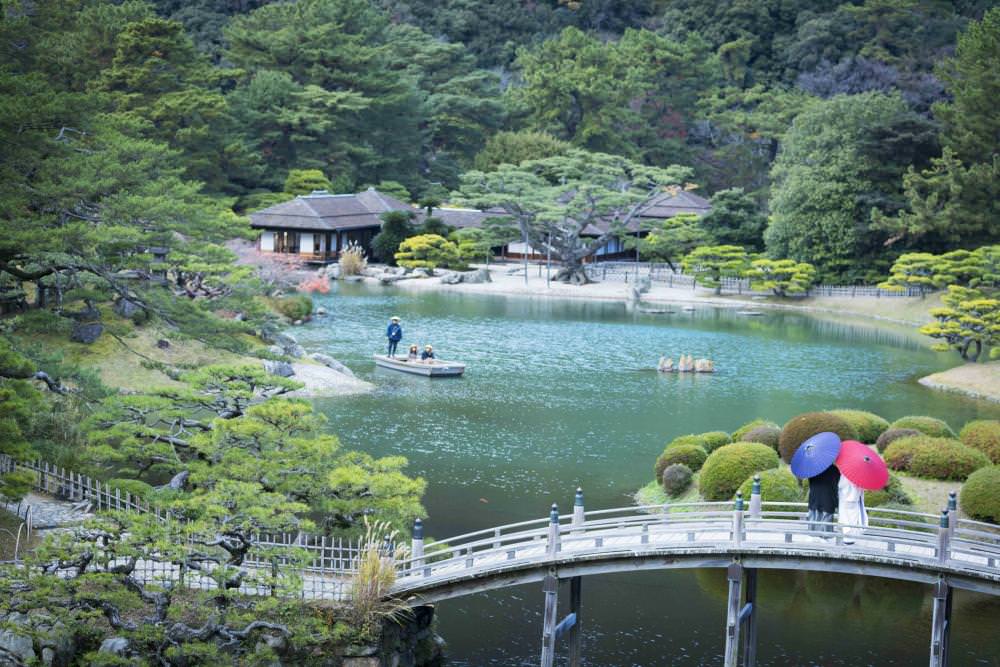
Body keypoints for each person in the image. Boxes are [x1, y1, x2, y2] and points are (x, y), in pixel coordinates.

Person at [806, 464, 840, 535]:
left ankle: (812, 535)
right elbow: (836, 486)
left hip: (814, 498)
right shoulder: (834, 469)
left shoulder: (813, 468)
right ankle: (825, 536)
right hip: (828, 498)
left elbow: (810, 483)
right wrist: (836, 503)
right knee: (826, 519)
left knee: (813, 517)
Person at [837, 474, 867, 545]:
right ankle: (851, 539)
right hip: (855, 501)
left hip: (845, 500)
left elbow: (840, 485)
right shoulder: (860, 476)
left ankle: (846, 538)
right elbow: (862, 489)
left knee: (845, 519)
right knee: (853, 520)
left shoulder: (845, 475)